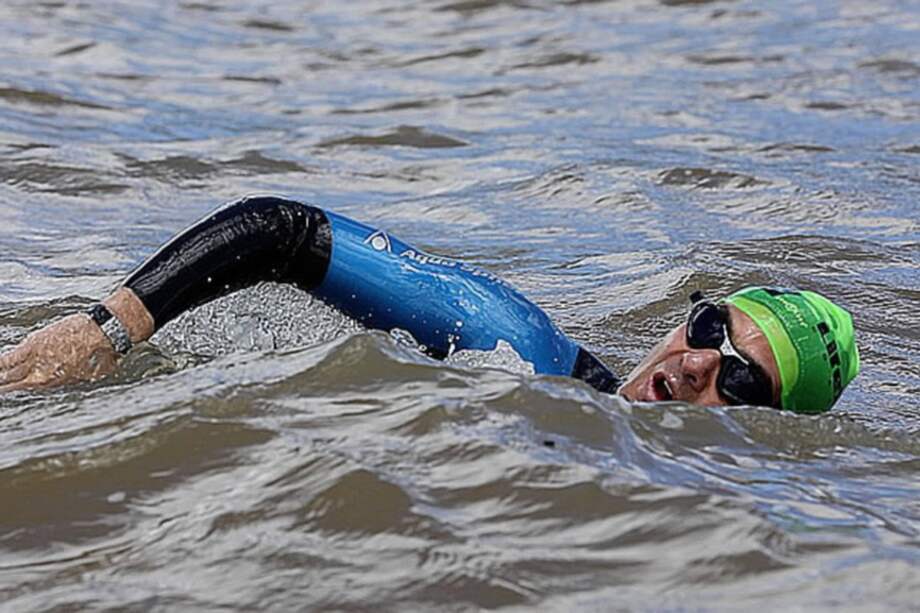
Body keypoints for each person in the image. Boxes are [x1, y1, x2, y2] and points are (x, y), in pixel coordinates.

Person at [0, 196, 859, 413]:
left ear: (767, 436)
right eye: (712, 328)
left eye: (743, 383)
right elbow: (283, 230)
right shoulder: (520, 348)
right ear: (687, 318)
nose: (703, 360)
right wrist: (107, 330)